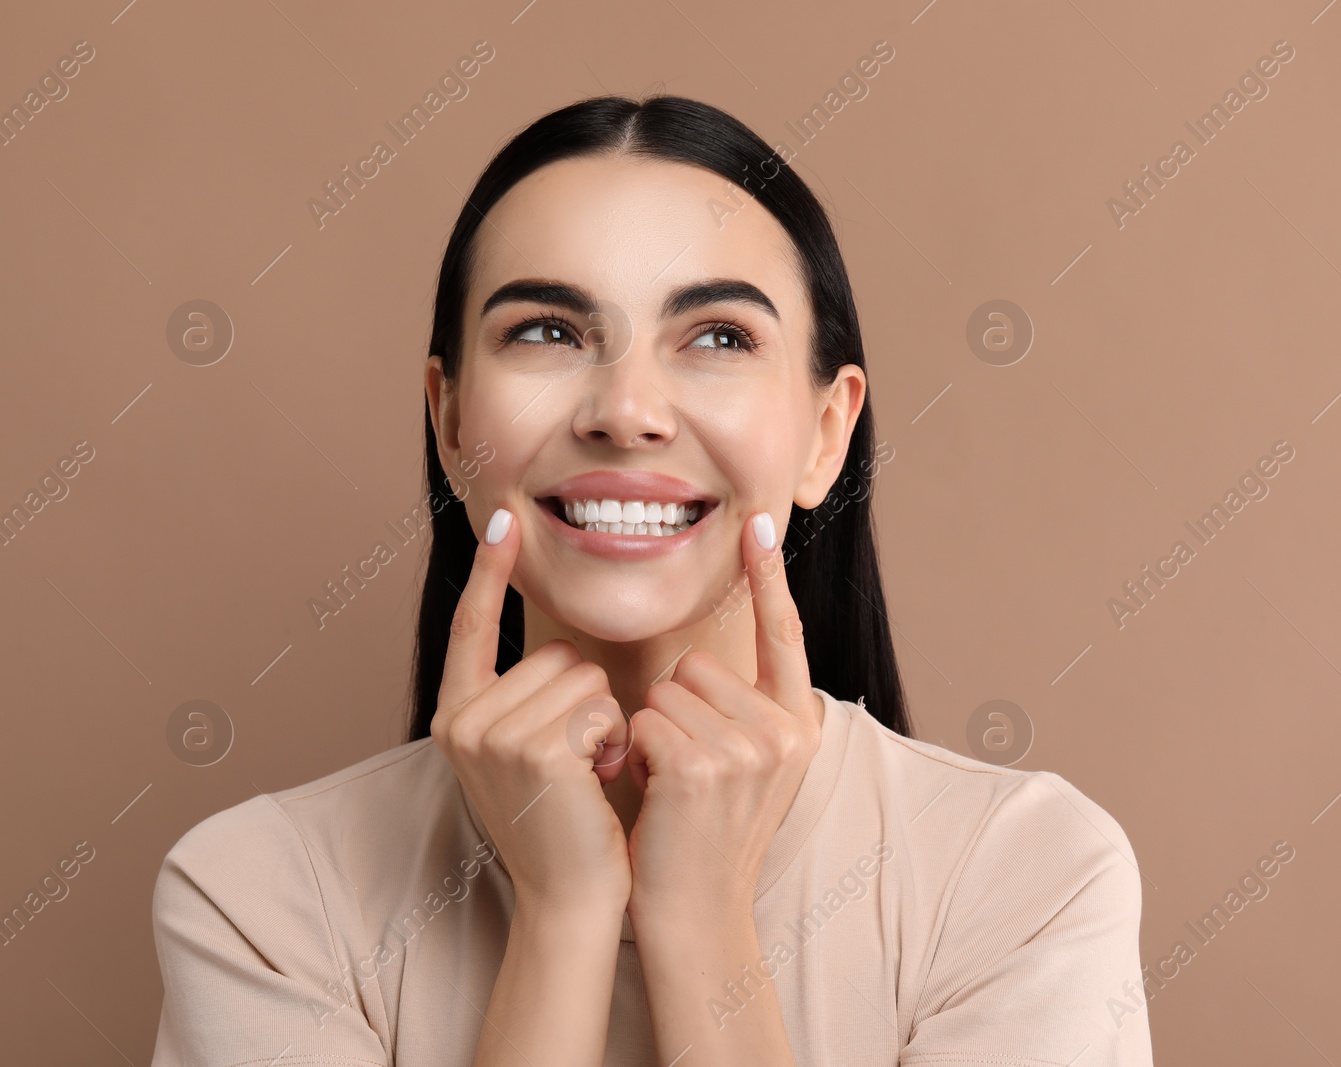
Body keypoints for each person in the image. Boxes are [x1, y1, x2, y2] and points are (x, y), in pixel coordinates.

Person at [149, 94, 1155, 1066]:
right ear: (451, 423)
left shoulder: (1028, 879)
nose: (625, 410)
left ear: (825, 434)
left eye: (718, 335)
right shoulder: (261, 896)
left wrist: (699, 918)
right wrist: (564, 914)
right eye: (546, 329)